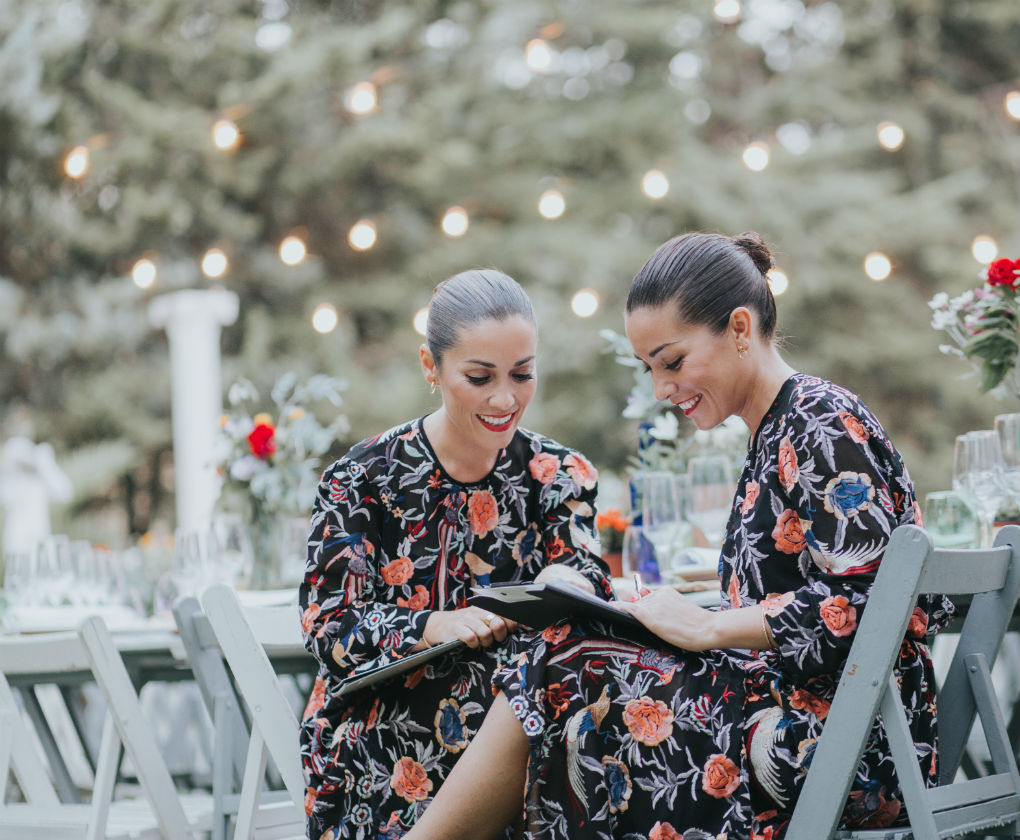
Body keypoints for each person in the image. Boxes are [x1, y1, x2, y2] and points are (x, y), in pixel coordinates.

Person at [402, 232, 954, 840]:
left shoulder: (820, 424)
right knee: (569, 663)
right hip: (813, 718)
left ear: (740, 328)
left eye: (673, 361)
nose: (662, 389)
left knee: (561, 663)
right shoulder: (779, 429)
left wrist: (708, 626)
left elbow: (872, 604)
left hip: (846, 747)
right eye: (650, 369)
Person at [298, 268, 612, 840]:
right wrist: (434, 625)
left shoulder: (558, 474)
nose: (504, 398)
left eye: (523, 374)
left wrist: (570, 576)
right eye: (479, 376)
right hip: (382, 723)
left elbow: (588, 572)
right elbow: (328, 628)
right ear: (430, 367)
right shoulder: (361, 479)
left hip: (522, 708)